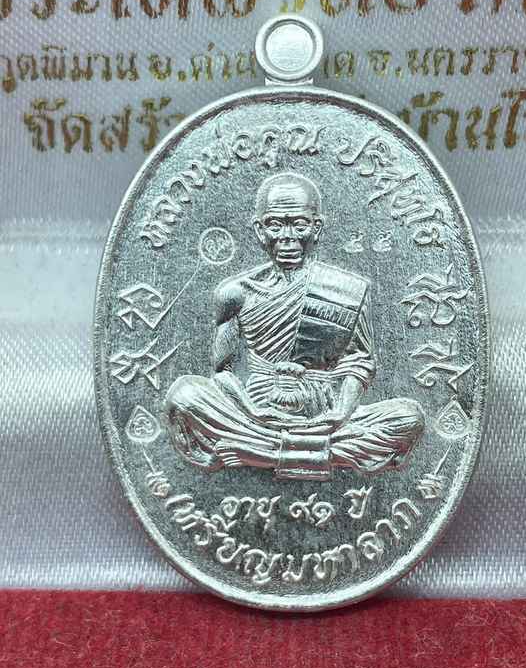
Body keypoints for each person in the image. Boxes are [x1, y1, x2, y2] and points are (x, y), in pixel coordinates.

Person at [164, 172, 424, 480]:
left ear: (316, 228)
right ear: (259, 230)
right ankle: (319, 453)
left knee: (408, 417)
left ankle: (259, 454)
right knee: (184, 396)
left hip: (324, 414)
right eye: (275, 225)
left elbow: (360, 363)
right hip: (256, 414)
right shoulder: (235, 293)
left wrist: (341, 414)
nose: (287, 237)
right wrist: (253, 411)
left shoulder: (346, 289)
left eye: (299, 225)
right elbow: (222, 371)